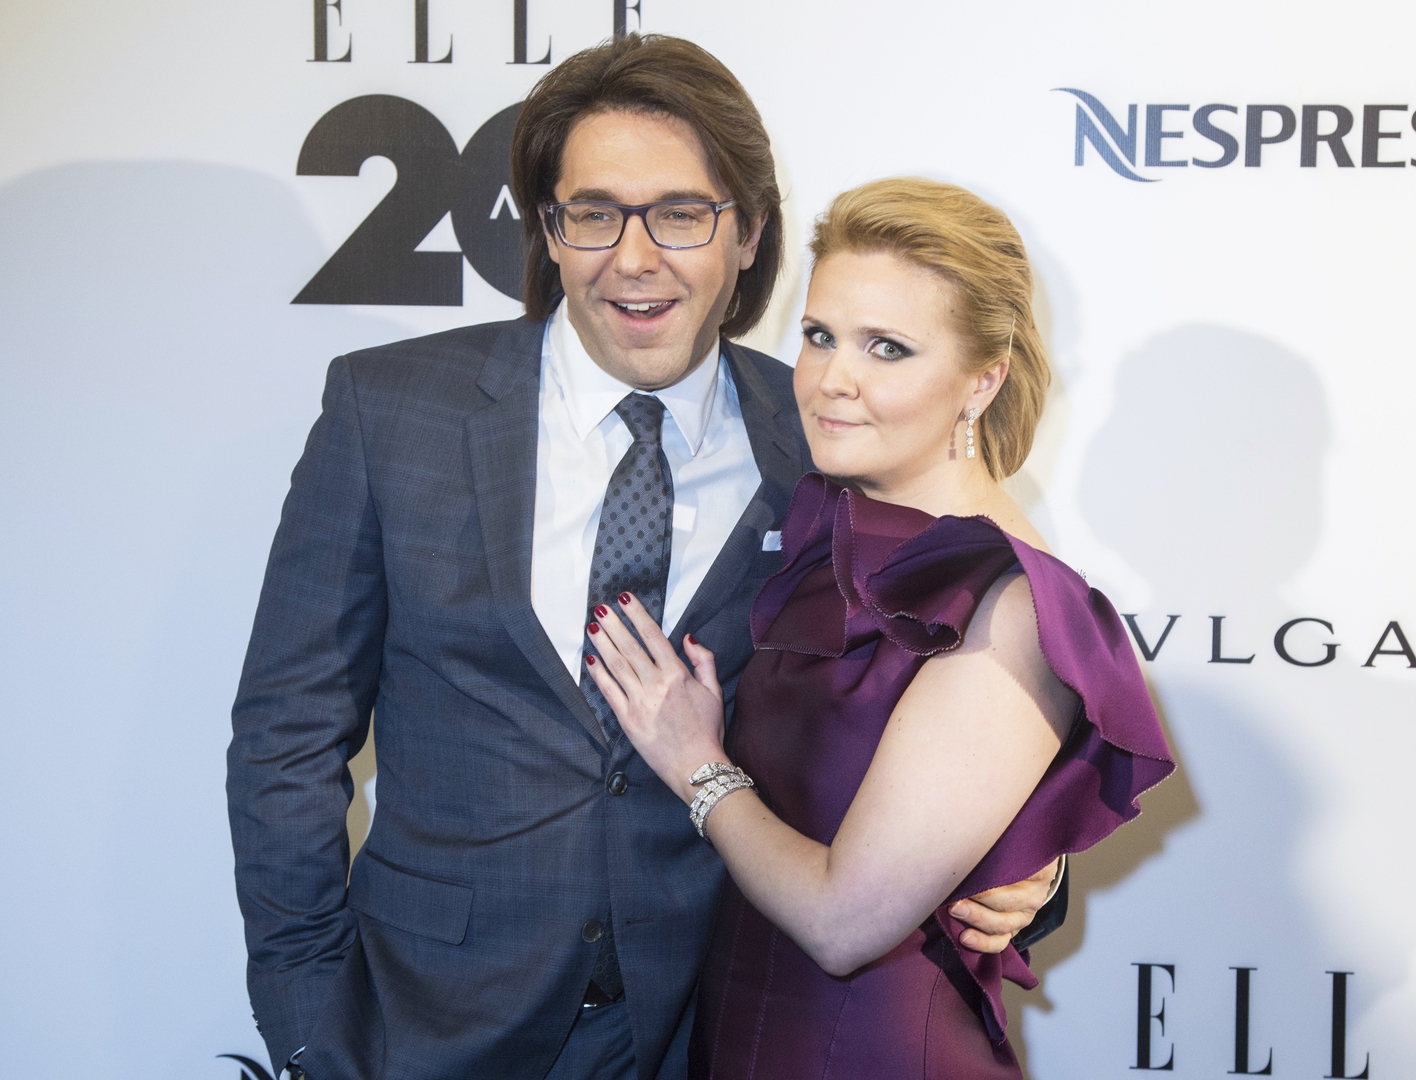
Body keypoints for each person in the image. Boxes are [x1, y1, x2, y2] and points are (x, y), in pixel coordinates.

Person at [227, 37, 1065, 1080]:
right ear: (549, 229)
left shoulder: (826, 440)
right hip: (419, 1026)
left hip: (706, 1027)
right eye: (593, 214)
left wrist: (1029, 868)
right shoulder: (389, 412)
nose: (633, 258)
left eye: (680, 214)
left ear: (748, 232)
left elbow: (926, 709)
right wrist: (310, 1023)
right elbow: (287, 736)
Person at [583, 178, 1176, 1078]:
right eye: (819, 335)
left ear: (983, 381)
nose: (832, 380)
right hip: (732, 1038)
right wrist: (1017, 856)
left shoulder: (1010, 602)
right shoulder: (827, 517)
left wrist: (694, 764)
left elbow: (843, 924)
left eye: (887, 348)